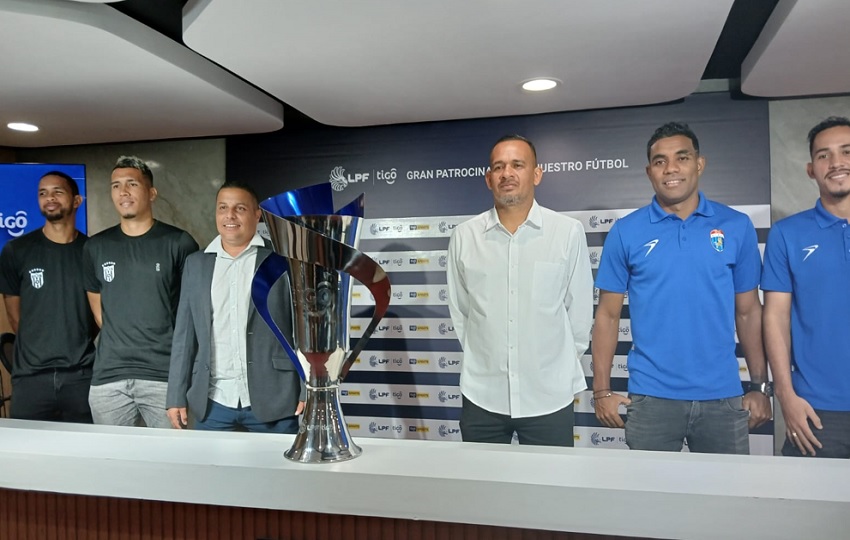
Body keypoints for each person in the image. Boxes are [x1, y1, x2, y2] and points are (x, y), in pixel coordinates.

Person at [592, 122, 772, 454]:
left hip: (723, 397)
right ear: (649, 172)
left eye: (682, 157)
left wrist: (759, 386)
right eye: (660, 161)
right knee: (651, 503)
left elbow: (748, 313)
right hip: (651, 399)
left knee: (726, 501)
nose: (671, 168)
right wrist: (601, 390)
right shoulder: (626, 232)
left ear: (699, 164)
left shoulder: (736, 226)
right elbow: (607, 316)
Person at [446, 135, 593, 446]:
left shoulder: (566, 233)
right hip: (482, 396)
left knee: (549, 493)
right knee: (482, 492)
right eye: (498, 167)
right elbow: (462, 313)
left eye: (517, 165)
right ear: (488, 179)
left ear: (536, 174)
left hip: (548, 398)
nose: (506, 174)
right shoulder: (464, 237)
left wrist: (550, 370)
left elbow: (579, 313)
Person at [166, 181, 304, 432]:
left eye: (239, 208)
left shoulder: (283, 261)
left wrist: (308, 388)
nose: (229, 215)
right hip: (212, 402)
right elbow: (184, 336)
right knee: (213, 472)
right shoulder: (196, 265)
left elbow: (302, 328)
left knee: (276, 472)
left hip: (275, 398)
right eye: (223, 208)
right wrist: (175, 395)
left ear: (256, 214)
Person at [84, 156, 198, 428]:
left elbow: (191, 311)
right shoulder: (95, 247)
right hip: (108, 379)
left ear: (151, 193)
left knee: (172, 463)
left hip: (164, 377)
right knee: (112, 463)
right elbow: (99, 308)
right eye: (115, 186)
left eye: (132, 184)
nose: (122, 192)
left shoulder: (179, 242)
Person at [762, 116, 850, 458]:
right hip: (816, 411)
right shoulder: (788, 234)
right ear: (811, 169)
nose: (837, 162)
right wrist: (785, 395)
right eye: (824, 155)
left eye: (846, 151)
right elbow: (775, 320)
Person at [0, 171, 96, 422]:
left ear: (77, 201)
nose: (49, 198)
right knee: (27, 455)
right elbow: (15, 316)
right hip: (31, 379)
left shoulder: (93, 252)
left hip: (81, 376)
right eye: (43, 193)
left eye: (57, 191)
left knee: (82, 454)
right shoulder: (17, 250)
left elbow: (98, 315)